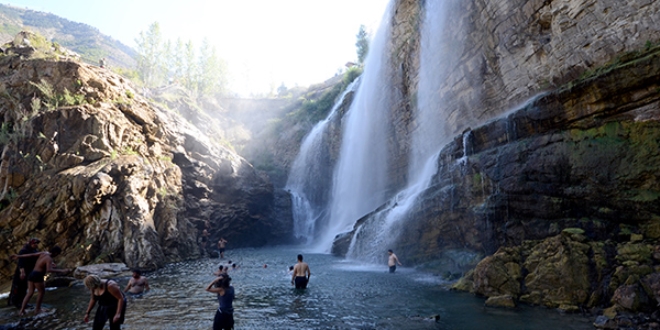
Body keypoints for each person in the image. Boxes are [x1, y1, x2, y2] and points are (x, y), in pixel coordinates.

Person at [12, 246, 70, 315]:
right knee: (41, 292)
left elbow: (31, 255)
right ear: (56, 253)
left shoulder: (44, 253)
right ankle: (37, 309)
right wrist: (62, 271)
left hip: (31, 274)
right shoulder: (49, 259)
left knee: (30, 293)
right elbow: (49, 270)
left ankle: (22, 310)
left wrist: (18, 256)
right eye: (57, 254)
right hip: (38, 275)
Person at [8, 238, 40, 309]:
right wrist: (22, 272)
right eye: (34, 243)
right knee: (18, 287)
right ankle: (15, 302)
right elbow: (21, 263)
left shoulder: (34, 251)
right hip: (21, 272)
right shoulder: (24, 251)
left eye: (37, 243)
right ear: (31, 244)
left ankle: (22, 302)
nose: (36, 245)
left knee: (24, 288)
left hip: (29, 272)